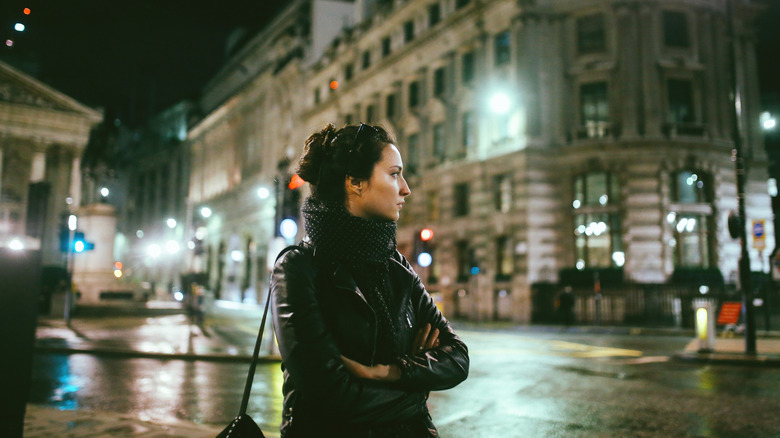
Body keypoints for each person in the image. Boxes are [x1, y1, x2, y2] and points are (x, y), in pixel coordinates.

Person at [271, 123, 469, 437]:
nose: (406, 188)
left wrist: (389, 372)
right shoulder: (298, 268)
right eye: (393, 174)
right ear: (355, 183)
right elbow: (332, 396)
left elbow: (458, 358)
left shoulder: (395, 265)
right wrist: (416, 392)